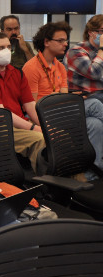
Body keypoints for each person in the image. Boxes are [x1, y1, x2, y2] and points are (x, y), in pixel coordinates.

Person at [25, 21, 103, 177]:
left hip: (59, 112)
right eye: (60, 41)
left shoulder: (59, 66)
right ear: (46, 42)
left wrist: (75, 97)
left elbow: (64, 97)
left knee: (95, 124)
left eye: (66, 40)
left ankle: (92, 173)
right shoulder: (31, 67)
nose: (65, 44)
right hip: (43, 116)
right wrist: (47, 127)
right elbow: (30, 107)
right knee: (94, 103)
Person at [0, 32, 46, 172]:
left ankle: (70, 181)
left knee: (57, 134)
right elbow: (2, 114)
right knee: (41, 139)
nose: (6, 51)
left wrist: (45, 125)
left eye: (8, 46)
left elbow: (30, 105)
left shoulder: (17, 72)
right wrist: (34, 128)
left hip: (17, 124)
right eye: (0, 48)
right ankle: (45, 184)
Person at [66, 14, 103, 103]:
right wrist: (102, 48)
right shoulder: (76, 51)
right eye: (102, 31)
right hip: (85, 98)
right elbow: (95, 73)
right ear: (90, 33)